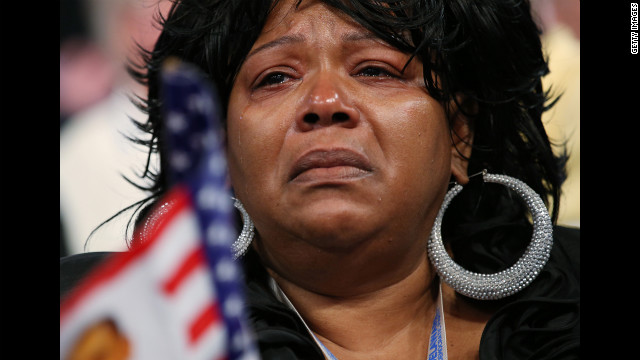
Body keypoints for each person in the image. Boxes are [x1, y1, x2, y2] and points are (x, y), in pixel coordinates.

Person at [62, 0, 580, 359]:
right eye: (276, 77)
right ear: (218, 151)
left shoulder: (567, 301)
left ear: (460, 134)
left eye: (376, 70)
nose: (325, 104)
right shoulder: (100, 323)